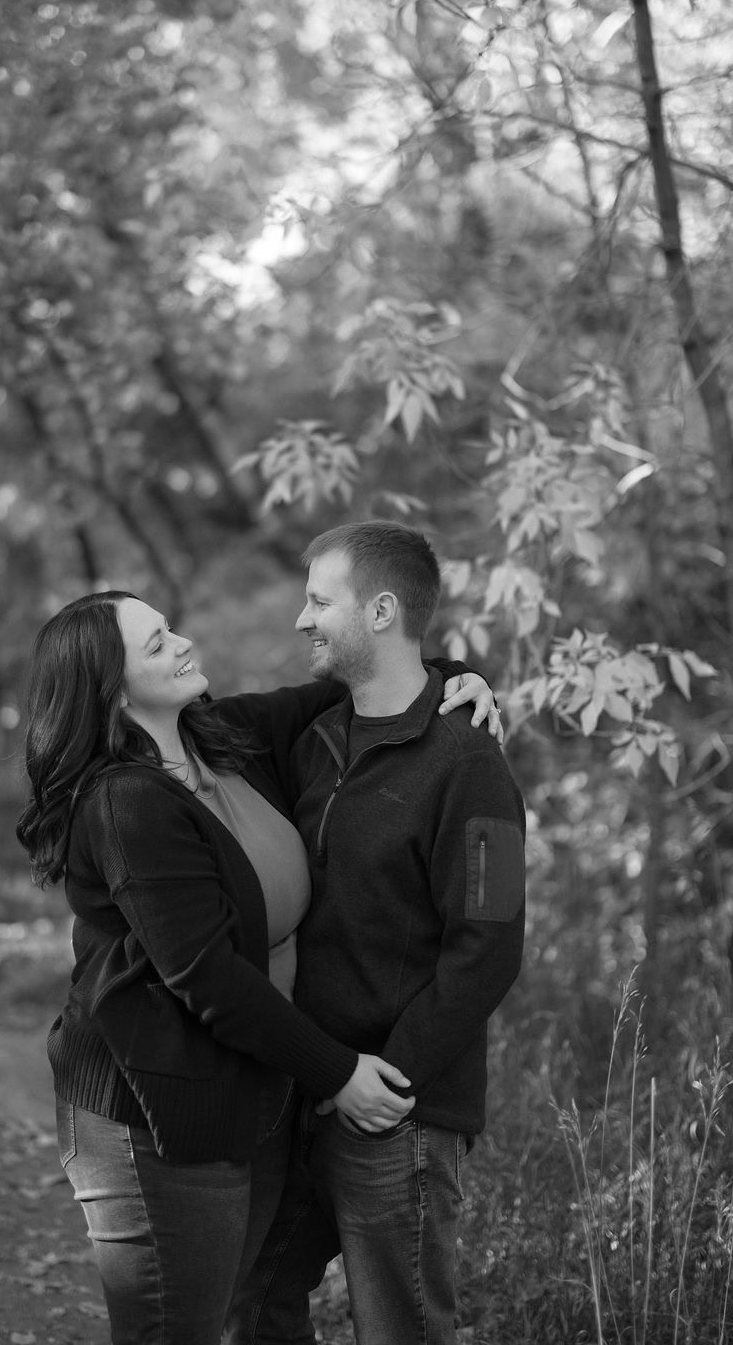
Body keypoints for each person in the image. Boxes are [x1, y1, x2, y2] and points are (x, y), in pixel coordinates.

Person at [16, 588, 500, 1345]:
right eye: (156, 644)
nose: (182, 642)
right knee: (179, 1329)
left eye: (170, 627)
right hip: (151, 1105)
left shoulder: (220, 734)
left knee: (241, 1309)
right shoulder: (125, 803)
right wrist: (337, 1072)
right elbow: (209, 977)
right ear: (112, 690)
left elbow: (368, 676)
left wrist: (459, 678)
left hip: (253, 1087)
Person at [226, 521, 526, 1345]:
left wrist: (386, 1079)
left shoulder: (470, 762)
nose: (302, 619)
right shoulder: (316, 739)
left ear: (382, 611)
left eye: (320, 602)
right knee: (250, 1305)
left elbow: (491, 946)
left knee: (403, 1331)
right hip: (304, 1095)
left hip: (400, 1115)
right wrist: (323, 1073)